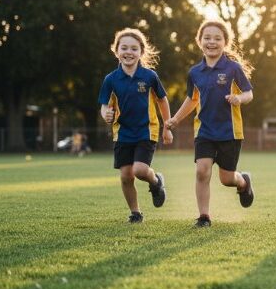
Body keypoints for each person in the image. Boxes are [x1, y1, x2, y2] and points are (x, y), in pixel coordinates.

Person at [166, 20, 254, 228]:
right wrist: (175, 119)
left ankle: (243, 182)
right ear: (199, 41)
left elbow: (249, 93)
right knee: (202, 171)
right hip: (204, 130)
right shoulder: (195, 73)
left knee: (226, 179)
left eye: (217, 38)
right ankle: (204, 216)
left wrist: (239, 99)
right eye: (207, 38)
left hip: (229, 132)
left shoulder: (233, 68)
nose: (211, 42)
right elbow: (192, 99)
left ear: (225, 42)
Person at [98, 28, 173, 224]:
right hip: (122, 133)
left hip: (146, 131)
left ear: (141, 52)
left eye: (134, 48)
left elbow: (162, 101)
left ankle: (156, 182)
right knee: (126, 176)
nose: (129, 52)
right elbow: (104, 105)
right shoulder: (110, 79)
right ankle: (135, 213)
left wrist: (168, 126)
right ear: (116, 51)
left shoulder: (149, 76)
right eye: (124, 48)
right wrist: (105, 113)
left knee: (139, 170)